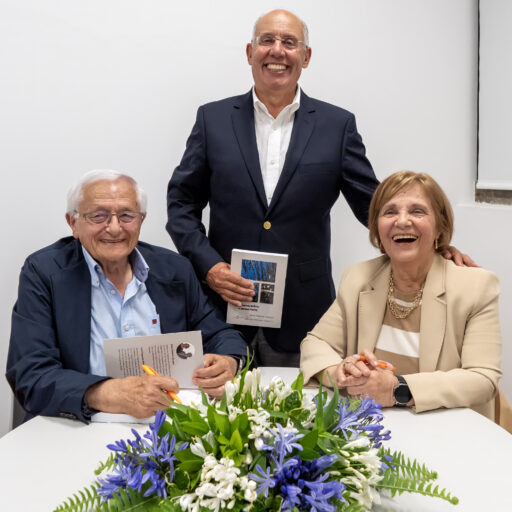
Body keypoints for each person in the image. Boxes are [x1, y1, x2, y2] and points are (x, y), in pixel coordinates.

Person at [167, 9, 380, 366]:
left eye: (289, 42)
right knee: (218, 404)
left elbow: (374, 207)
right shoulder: (212, 119)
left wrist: (433, 244)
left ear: (306, 56)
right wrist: (210, 267)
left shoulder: (337, 125)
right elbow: (181, 206)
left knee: (301, 404)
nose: (277, 50)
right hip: (221, 313)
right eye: (267, 40)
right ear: (250, 52)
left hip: (304, 315)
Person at [6, 170, 248, 423]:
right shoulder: (44, 273)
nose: (114, 228)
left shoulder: (175, 269)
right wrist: (106, 392)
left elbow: (221, 333)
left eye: (126, 216)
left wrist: (229, 362)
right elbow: (30, 375)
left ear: (141, 220)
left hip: (167, 424)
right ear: (73, 223)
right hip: (78, 425)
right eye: (98, 216)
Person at [300, 171, 501, 419]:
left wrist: (397, 389)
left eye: (417, 211)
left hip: (445, 428)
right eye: (390, 212)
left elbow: (482, 378)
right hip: (371, 427)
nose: (402, 221)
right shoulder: (358, 278)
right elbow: (315, 343)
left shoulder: (475, 286)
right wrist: (341, 372)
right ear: (377, 229)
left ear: (440, 227)